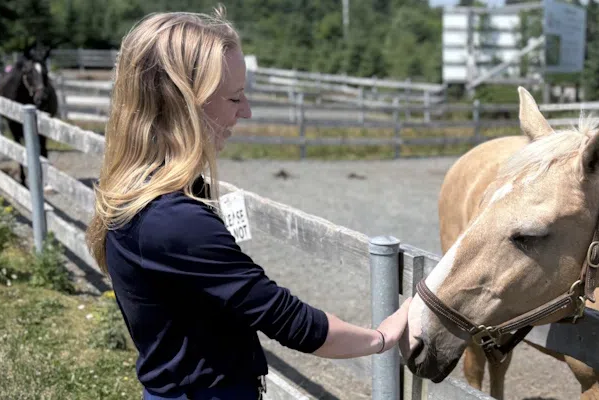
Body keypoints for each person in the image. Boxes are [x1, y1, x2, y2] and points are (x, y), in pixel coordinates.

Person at [85, 7, 411, 400]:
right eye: (235, 97)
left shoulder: (139, 195)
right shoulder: (173, 221)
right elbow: (289, 321)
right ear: (183, 103)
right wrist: (383, 336)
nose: (247, 111)